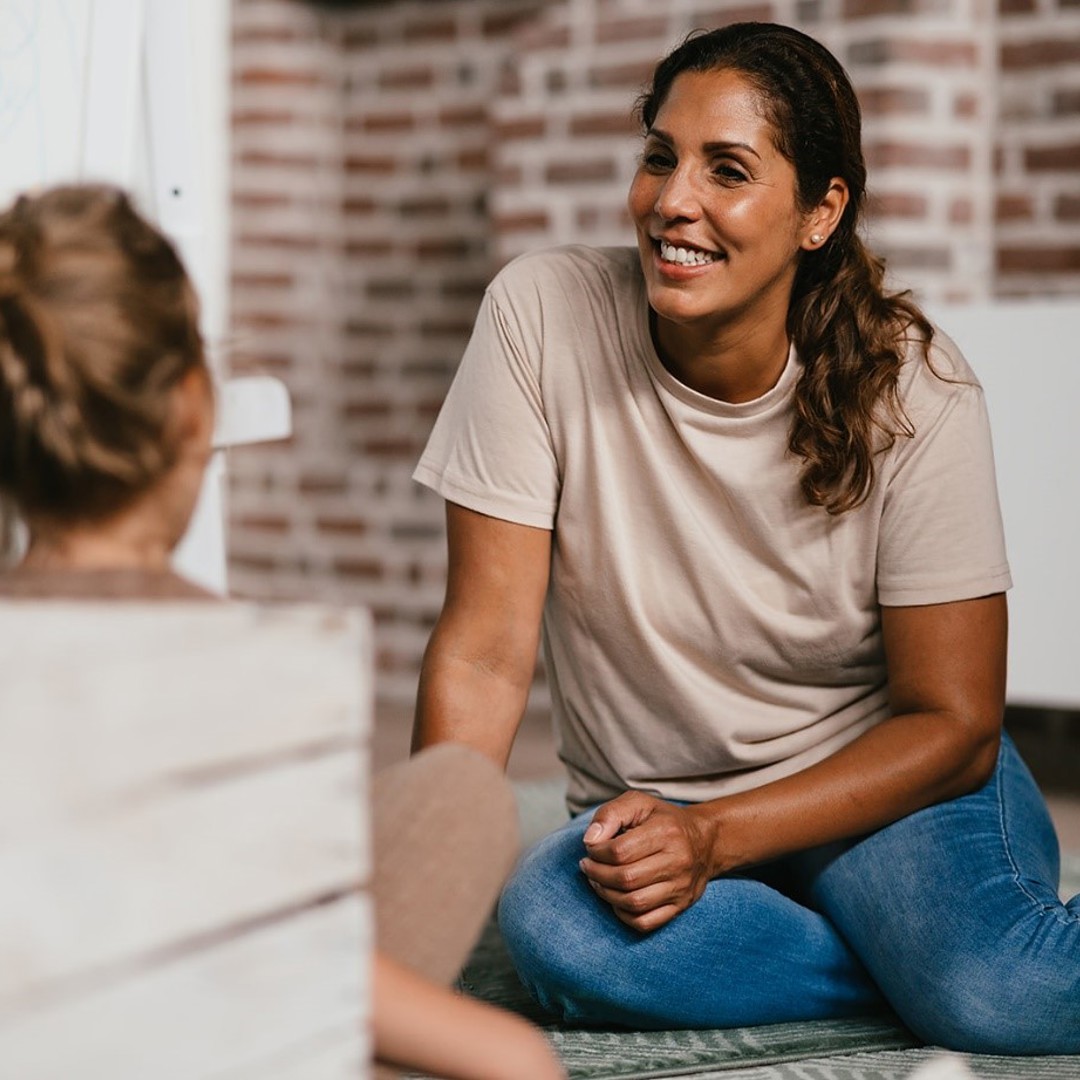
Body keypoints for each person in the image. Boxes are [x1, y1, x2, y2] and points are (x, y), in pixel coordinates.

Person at [411, 22, 1079, 1055]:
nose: (674, 200)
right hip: (659, 799)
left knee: (1001, 996)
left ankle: (944, 959)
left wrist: (718, 836)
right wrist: (421, 904)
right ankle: (904, 967)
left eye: (728, 170)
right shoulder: (540, 316)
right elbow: (485, 650)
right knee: (548, 923)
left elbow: (953, 723)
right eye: (659, 156)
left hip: (884, 793)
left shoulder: (917, 389)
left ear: (821, 213)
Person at [0, 183, 564, 1080]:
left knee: (453, 789)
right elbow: (287, 961)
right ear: (195, 408)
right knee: (462, 806)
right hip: (183, 1019)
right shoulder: (248, 673)